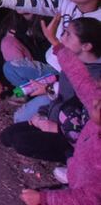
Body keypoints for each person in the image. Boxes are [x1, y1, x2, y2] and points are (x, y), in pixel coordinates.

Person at [0, 0, 101, 123]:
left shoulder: (98, 24)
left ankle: (50, 103)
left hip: (72, 81)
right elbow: (33, 2)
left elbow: (90, 75)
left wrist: (52, 87)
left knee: (19, 118)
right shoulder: (66, 2)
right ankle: (36, 95)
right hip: (52, 68)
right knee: (11, 68)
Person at [19, 15, 101, 205]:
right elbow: (80, 77)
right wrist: (57, 45)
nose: (94, 103)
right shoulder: (96, 107)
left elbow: (89, 198)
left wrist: (44, 198)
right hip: (79, 177)